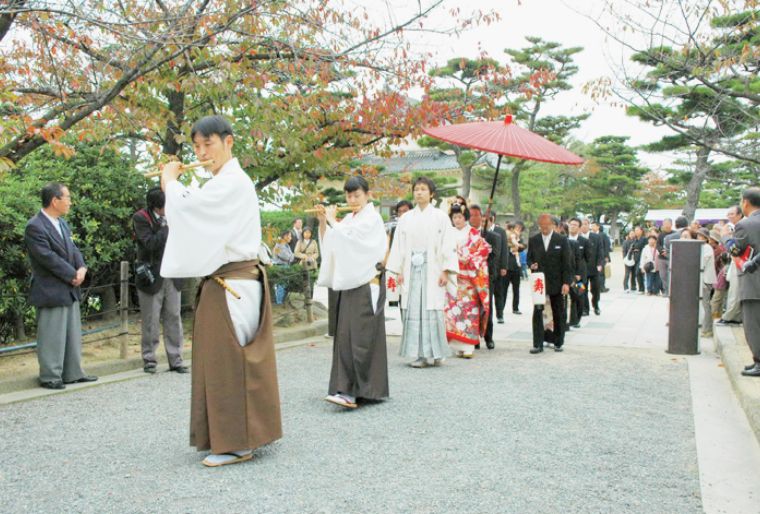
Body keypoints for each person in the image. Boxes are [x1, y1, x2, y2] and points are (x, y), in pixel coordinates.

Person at [160, 115, 281, 467]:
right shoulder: (224, 182)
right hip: (231, 282)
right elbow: (198, 214)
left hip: (233, 284)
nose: (202, 152)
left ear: (229, 142)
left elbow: (190, 208)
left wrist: (170, 181)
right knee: (224, 361)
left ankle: (238, 442)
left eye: (208, 144)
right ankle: (233, 435)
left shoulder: (232, 182)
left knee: (229, 362)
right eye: (196, 146)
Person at [316, 175, 389, 406]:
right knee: (346, 336)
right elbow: (334, 243)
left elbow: (354, 242)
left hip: (366, 283)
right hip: (350, 282)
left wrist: (332, 221)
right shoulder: (349, 218)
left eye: (357, 195)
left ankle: (361, 389)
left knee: (360, 338)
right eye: (349, 195)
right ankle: (348, 388)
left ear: (368, 195)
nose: (353, 199)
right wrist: (323, 222)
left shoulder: (373, 219)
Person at [24, 182, 97, 390]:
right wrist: (71, 274)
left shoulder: (62, 223)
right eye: (67, 197)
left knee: (72, 333)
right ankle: (50, 375)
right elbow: (46, 257)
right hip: (50, 288)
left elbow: (73, 249)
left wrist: (81, 267)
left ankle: (73, 372)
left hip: (69, 286)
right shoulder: (35, 226)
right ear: (55, 201)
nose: (70, 202)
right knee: (52, 334)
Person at [387, 177, 457, 367]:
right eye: (416, 189)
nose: (419, 192)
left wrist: (445, 270)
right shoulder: (406, 218)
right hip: (411, 268)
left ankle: (435, 353)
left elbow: (448, 245)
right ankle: (420, 354)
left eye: (423, 189)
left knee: (432, 310)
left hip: (432, 268)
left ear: (431, 193)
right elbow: (399, 246)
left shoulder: (441, 217)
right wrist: (399, 269)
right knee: (414, 308)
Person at [132, 187, 187, 374]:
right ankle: (149, 359)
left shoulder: (175, 216)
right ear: (157, 207)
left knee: (174, 317)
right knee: (151, 319)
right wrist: (166, 227)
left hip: (173, 274)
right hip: (151, 275)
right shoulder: (141, 218)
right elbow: (148, 244)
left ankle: (176, 359)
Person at [721, 188, 760, 377]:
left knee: (754, 324)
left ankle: (759, 362)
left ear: (745, 202)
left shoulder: (746, 225)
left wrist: (725, 236)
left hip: (754, 282)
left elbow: (735, 250)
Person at [444, 204, 491, 358]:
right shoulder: (447, 233)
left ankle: (469, 346)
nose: (457, 220)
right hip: (453, 278)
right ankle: (457, 345)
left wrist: (468, 258)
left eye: (460, 217)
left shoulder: (474, 233)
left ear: (465, 218)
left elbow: (483, 250)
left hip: (469, 278)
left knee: (469, 311)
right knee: (453, 312)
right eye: (454, 217)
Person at [528, 214, 572, 353]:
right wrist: (531, 265)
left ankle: (558, 342)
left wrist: (566, 282)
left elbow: (567, 263)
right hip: (539, 282)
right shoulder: (534, 240)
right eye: (541, 226)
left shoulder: (562, 240)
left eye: (547, 226)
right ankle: (538, 343)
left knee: (558, 312)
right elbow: (529, 258)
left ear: (553, 225)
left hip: (557, 282)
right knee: (538, 312)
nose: (544, 228)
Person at [469, 205, 502, 349]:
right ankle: (473, 338)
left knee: (487, 307)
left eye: (479, 217)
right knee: (472, 307)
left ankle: (489, 337)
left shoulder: (494, 237)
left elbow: (494, 256)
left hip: (486, 276)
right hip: (469, 276)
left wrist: (480, 258)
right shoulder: (467, 235)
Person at [719, 205, 745, 325]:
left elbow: (735, 250)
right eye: (728, 214)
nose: (729, 216)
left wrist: (725, 237)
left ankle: (730, 316)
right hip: (737, 261)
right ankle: (733, 315)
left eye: (732, 214)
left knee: (735, 290)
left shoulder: (743, 226)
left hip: (740, 261)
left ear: (740, 214)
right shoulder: (737, 227)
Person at [566, 218, 588, 328]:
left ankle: (577, 319)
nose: (572, 226)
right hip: (567, 274)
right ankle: (569, 320)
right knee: (567, 297)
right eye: (571, 224)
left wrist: (580, 272)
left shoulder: (584, 241)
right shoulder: (563, 240)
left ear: (579, 228)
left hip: (579, 275)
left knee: (579, 296)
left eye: (575, 225)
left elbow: (587, 258)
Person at [580, 218, 605, 315]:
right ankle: (585, 309)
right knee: (582, 289)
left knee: (595, 289)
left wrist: (600, 264)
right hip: (581, 270)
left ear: (589, 225)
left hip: (594, 268)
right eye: (582, 224)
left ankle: (596, 305)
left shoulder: (596, 237)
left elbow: (600, 251)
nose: (584, 226)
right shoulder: (577, 238)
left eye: (586, 224)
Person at [489, 214, 510, 323]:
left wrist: (504, 266)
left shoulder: (500, 231)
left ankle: (500, 314)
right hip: (487, 267)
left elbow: (504, 250)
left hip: (498, 267)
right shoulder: (481, 231)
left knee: (499, 292)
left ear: (492, 219)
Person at [697, 228, 717, 337]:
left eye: (700, 236)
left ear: (705, 238)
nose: (698, 237)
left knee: (705, 305)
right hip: (704, 278)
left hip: (706, 279)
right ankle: (705, 328)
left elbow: (702, 263)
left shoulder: (707, 248)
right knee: (704, 304)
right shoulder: (703, 247)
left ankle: (707, 329)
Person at [504, 223, 525, 315]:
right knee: (504, 289)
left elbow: (522, 247)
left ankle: (515, 308)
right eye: (517, 228)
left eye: (520, 228)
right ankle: (501, 308)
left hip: (516, 267)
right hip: (507, 266)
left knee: (516, 289)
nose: (518, 230)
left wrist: (519, 246)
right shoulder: (507, 235)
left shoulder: (521, 238)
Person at [656, 218, 674, 295]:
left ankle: (671, 291)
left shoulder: (675, 234)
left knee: (671, 275)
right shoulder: (661, 234)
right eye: (664, 224)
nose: (665, 226)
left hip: (671, 258)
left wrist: (668, 251)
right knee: (663, 275)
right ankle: (666, 291)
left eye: (667, 224)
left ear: (671, 224)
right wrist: (662, 251)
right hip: (662, 258)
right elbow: (658, 245)